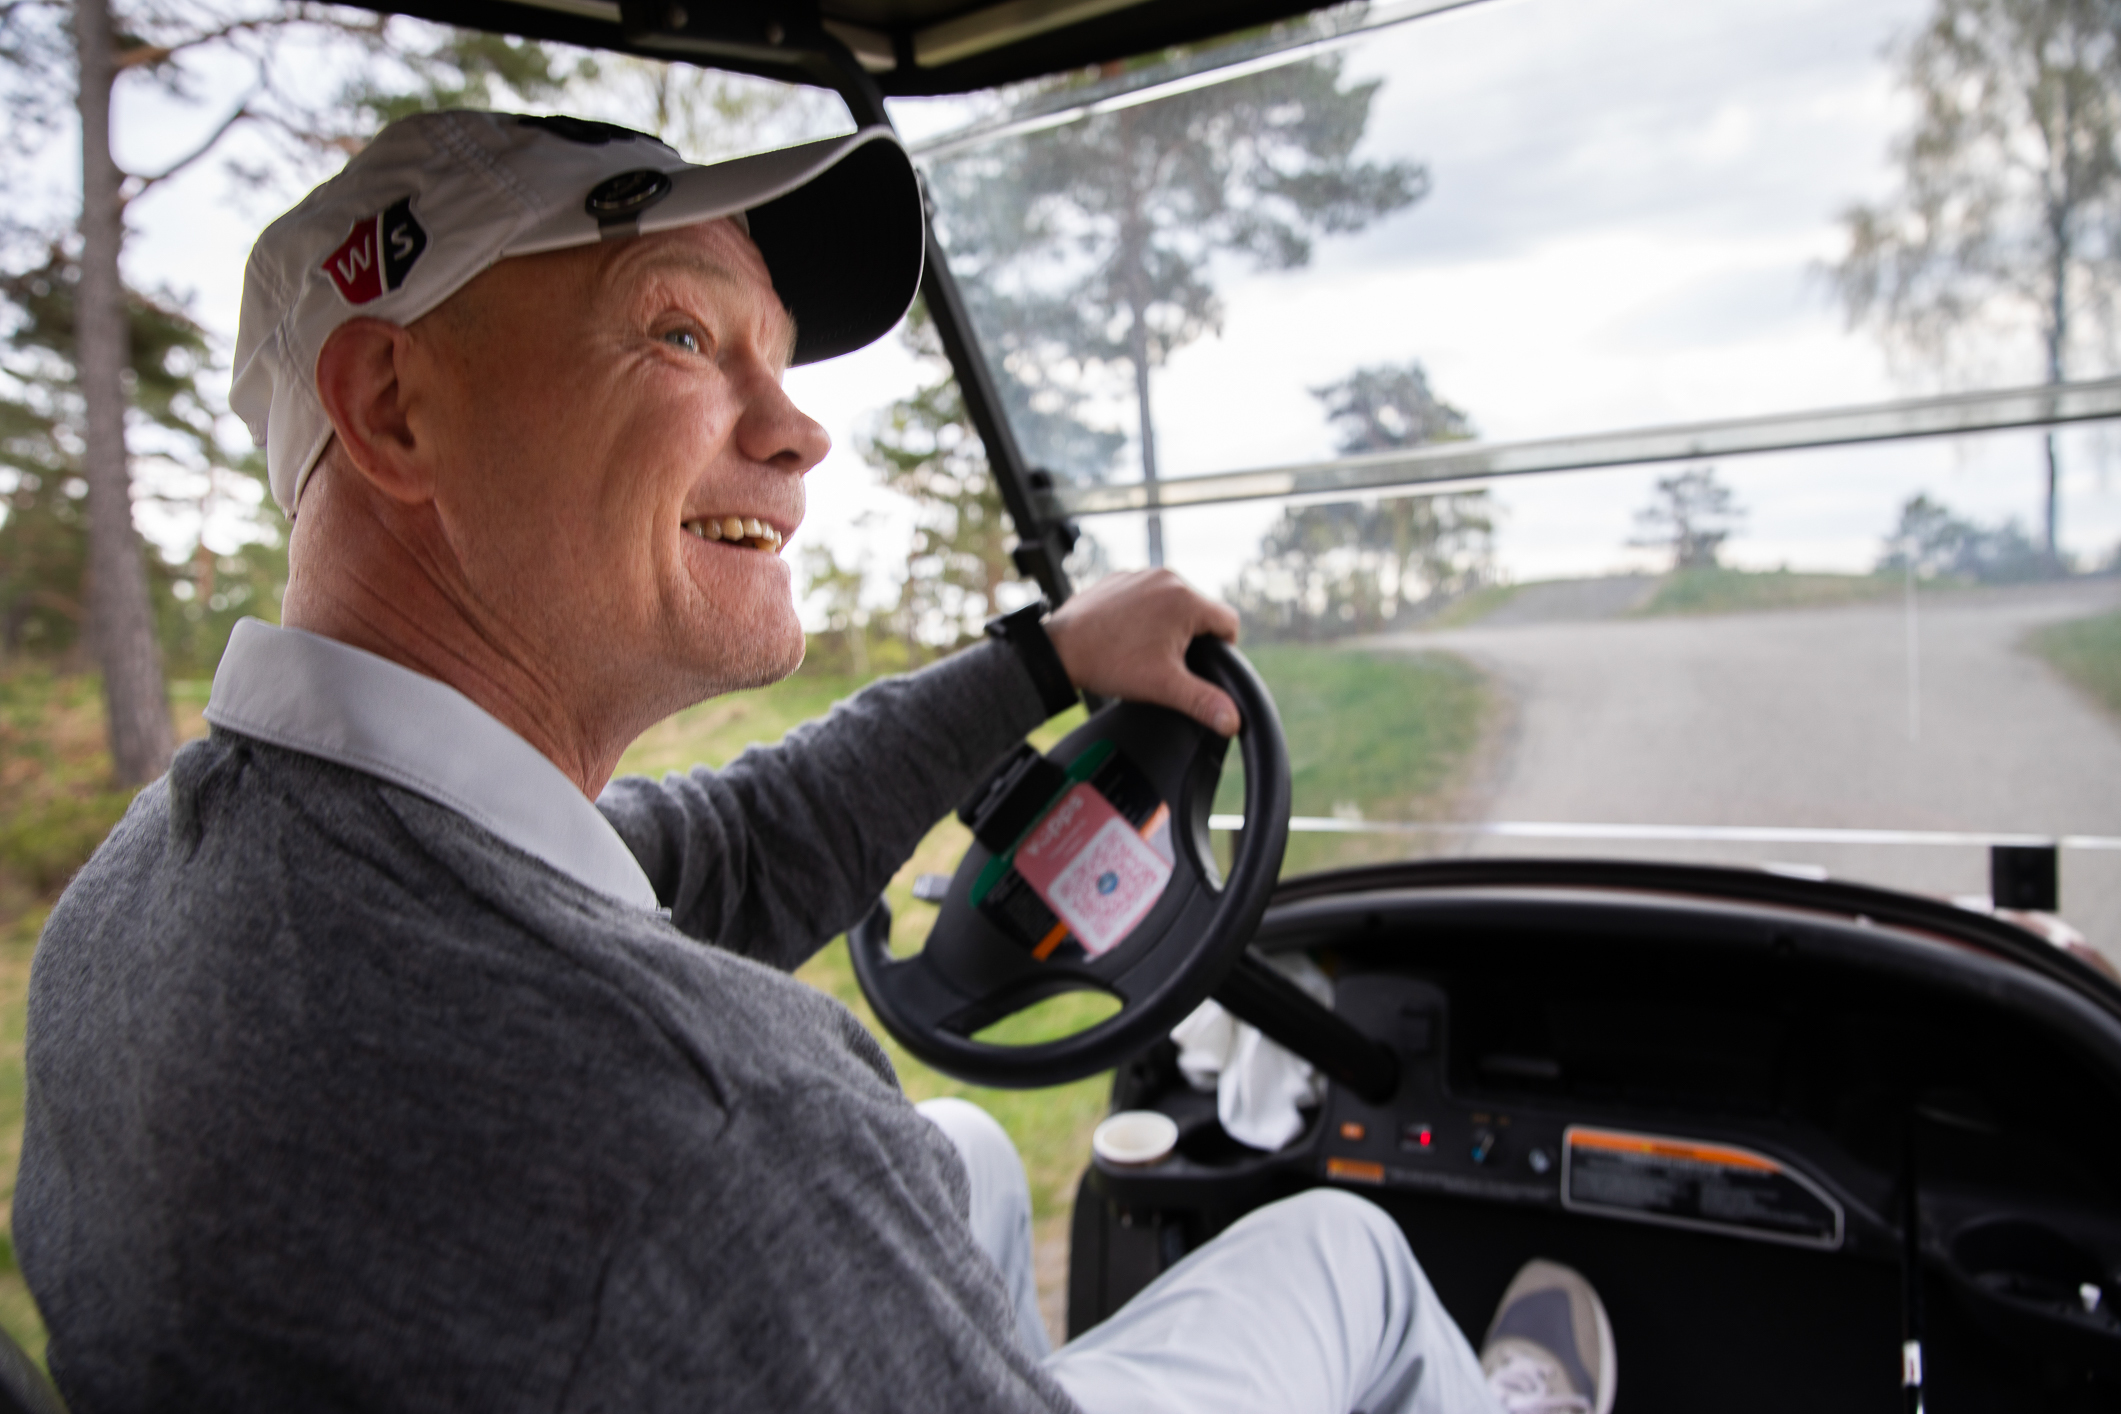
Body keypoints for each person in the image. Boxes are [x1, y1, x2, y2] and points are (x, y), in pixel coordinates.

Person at [15, 111, 1615, 1414]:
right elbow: (698, 1121)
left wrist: (1041, 663)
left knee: (964, 1154)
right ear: (395, 410)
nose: (797, 432)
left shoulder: (144, 902)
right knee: (1339, 1249)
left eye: (776, 361)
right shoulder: (701, 1121)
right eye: (682, 331)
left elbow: (727, 852)